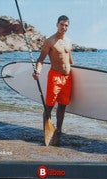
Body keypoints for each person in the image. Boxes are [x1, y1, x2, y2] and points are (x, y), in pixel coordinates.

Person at [33, 15, 74, 146]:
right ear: (57, 25)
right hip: (55, 76)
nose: (64, 27)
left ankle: (59, 132)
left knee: (62, 106)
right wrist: (37, 71)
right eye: (62, 24)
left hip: (67, 78)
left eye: (66, 25)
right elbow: (40, 59)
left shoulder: (69, 42)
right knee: (49, 106)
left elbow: (70, 61)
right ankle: (47, 132)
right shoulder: (50, 41)